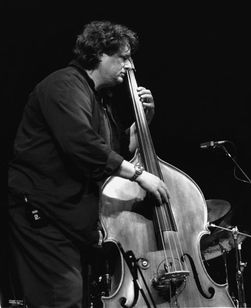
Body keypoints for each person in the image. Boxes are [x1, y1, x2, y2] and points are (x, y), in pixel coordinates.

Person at [6, 20, 169, 307]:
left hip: (70, 221)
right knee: (62, 300)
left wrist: (143, 123)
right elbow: (81, 145)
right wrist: (140, 175)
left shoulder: (99, 99)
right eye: (123, 57)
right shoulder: (64, 85)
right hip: (43, 215)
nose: (129, 66)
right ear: (99, 54)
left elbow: (113, 150)